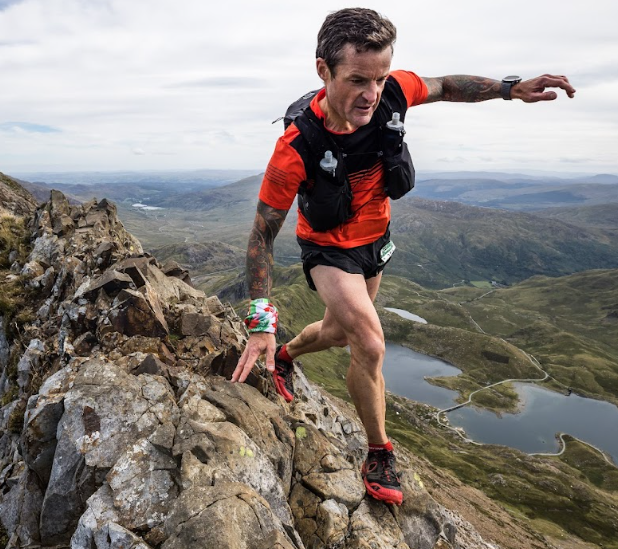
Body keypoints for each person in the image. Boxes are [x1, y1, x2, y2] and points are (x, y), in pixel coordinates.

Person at [230, 7, 575, 505]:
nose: (371, 94)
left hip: (376, 242)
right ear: (323, 71)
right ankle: (379, 452)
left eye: (381, 77)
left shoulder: (393, 91)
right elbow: (262, 235)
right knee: (369, 342)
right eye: (357, 80)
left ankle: (285, 357)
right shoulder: (296, 147)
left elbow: (446, 85)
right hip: (328, 249)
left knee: (335, 332)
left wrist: (509, 87)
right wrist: (260, 319)